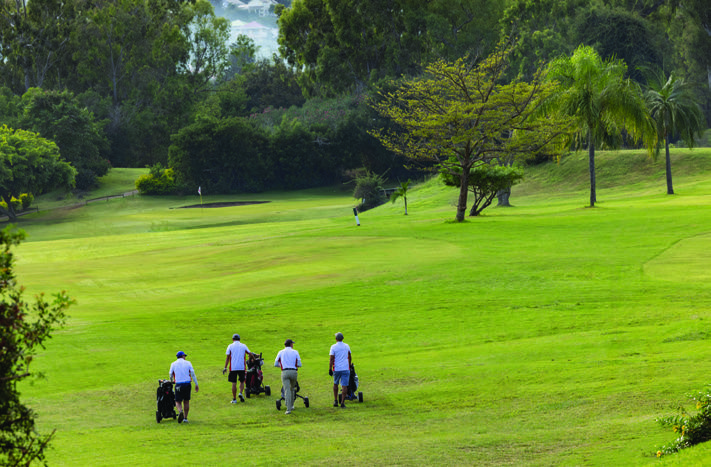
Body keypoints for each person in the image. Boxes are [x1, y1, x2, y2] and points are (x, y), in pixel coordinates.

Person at [169, 351, 199, 424]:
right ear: (182, 356)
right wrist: (196, 384)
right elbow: (192, 374)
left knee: (178, 401)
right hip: (187, 384)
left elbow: (170, 374)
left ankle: (180, 411)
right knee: (186, 401)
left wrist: (172, 381)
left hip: (178, 384)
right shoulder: (188, 363)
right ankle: (185, 418)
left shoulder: (173, 364)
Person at [223, 334, 253, 403]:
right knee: (242, 381)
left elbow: (227, 358)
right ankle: (240, 393)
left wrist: (225, 367)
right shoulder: (243, 345)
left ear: (232, 339)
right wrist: (254, 358)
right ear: (239, 339)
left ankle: (234, 399)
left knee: (234, 383)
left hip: (233, 367)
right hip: (241, 367)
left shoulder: (230, 346)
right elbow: (250, 353)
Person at [274, 339, 301, 414]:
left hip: (285, 372)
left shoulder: (281, 352)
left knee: (287, 390)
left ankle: (288, 408)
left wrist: (283, 365)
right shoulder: (295, 352)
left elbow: (275, 364)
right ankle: (291, 405)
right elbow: (299, 364)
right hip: (293, 372)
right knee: (292, 388)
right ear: (291, 344)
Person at [329, 332, 351, 408]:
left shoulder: (333, 347)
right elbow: (349, 356)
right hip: (345, 368)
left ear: (336, 339)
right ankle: (342, 402)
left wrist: (330, 368)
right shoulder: (347, 346)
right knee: (344, 386)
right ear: (343, 338)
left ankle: (335, 400)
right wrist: (349, 365)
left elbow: (331, 358)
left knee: (335, 384)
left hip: (337, 368)